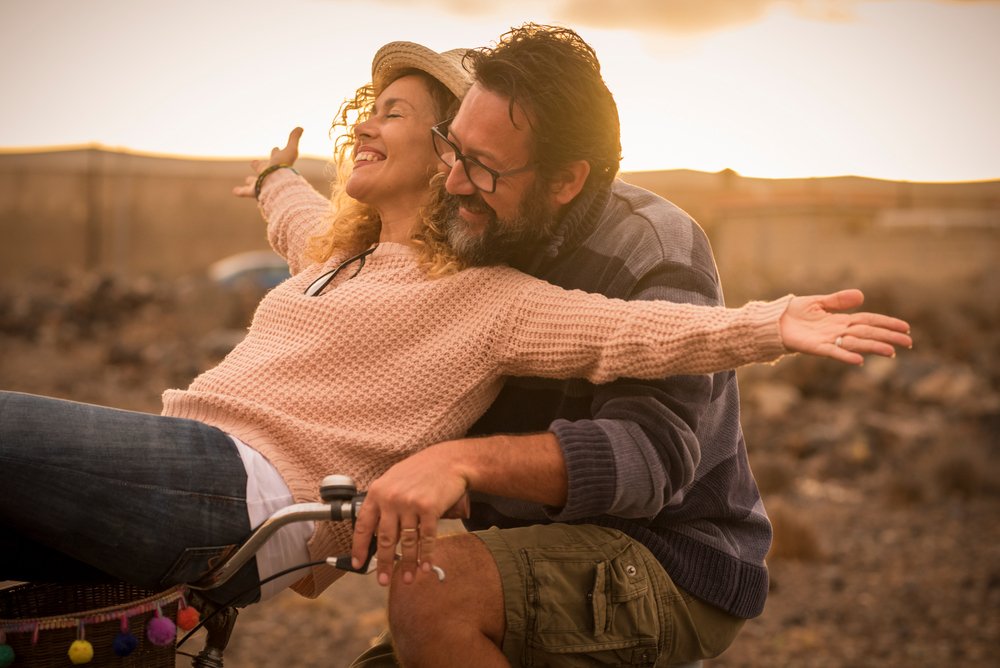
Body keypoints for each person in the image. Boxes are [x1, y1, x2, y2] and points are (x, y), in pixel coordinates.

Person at [1, 34, 908, 635]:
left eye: (411, 122)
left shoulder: (488, 293)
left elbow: (634, 335)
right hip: (187, 454)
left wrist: (769, 324)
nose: (376, 129)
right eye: (378, 114)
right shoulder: (336, 257)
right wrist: (277, 172)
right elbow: (293, 215)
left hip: (243, 489)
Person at [301, 25, 911, 668]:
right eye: (453, 150)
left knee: (430, 594)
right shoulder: (468, 225)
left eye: (482, 167)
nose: (453, 182)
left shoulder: (654, 245)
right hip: (528, 550)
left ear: (565, 181)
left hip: (672, 558)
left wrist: (464, 464)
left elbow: (653, 458)